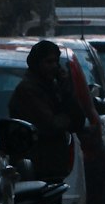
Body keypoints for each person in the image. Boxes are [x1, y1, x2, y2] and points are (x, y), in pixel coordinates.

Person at [8, 39, 85, 182]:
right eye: (48, 62)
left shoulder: (53, 88)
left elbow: (78, 120)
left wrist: (67, 90)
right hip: (36, 169)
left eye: (56, 62)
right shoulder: (27, 90)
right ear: (37, 64)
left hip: (54, 169)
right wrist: (67, 118)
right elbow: (51, 125)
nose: (54, 67)